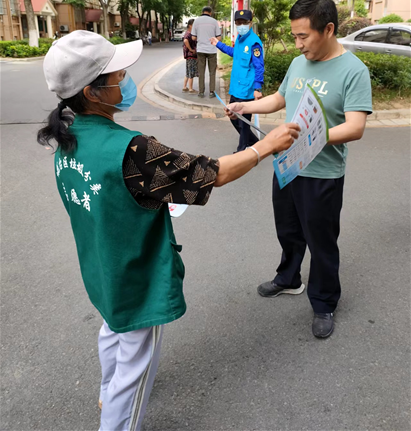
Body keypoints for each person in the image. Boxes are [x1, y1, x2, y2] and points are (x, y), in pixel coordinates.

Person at [37, 30, 300, 431]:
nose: (126, 78)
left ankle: (107, 391)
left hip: (102, 268)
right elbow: (210, 174)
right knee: (137, 367)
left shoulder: (69, 138)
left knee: (112, 329)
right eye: (117, 75)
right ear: (92, 92)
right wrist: (267, 145)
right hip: (135, 276)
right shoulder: (132, 149)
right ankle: (118, 417)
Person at [226, 0, 372, 339]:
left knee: (321, 240)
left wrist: (310, 136)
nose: (298, 43)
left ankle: (323, 301)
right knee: (289, 230)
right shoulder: (297, 64)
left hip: (322, 173)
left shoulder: (353, 71)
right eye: (294, 36)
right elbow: (280, 99)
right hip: (287, 165)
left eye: (303, 36)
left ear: (329, 29)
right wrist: (244, 107)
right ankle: (289, 277)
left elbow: (355, 127)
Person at [211, 9, 264, 152]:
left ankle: (242, 149)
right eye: (238, 23)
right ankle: (254, 142)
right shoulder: (240, 39)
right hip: (236, 87)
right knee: (232, 116)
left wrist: (257, 88)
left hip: (247, 89)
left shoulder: (254, 42)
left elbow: (259, 66)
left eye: (244, 22)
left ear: (250, 23)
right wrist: (218, 44)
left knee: (244, 122)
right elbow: (233, 53)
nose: (241, 25)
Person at [191, 6, 221, 98]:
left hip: (200, 50)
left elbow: (193, 37)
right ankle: (212, 92)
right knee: (212, 72)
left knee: (201, 72)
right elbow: (218, 37)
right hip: (212, 50)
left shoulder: (196, 21)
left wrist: (200, 37)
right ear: (210, 13)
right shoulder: (214, 22)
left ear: (202, 12)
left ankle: (201, 92)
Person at [182, 18, 198, 94]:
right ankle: (191, 89)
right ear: (190, 25)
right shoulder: (189, 33)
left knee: (188, 72)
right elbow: (185, 41)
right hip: (191, 55)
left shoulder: (189, 33)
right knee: (191, 72)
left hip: (188, 56)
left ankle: (185, 87)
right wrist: (191, 49)